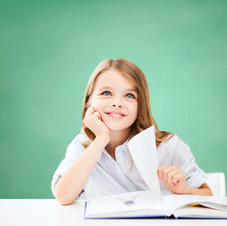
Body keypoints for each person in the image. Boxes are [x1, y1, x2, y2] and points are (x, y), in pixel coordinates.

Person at [51, 58, 212, 205]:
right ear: (88, 101)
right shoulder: (82, 146)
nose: (117, 103)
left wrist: (184, 190)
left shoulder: (168, 147)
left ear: (140, 105)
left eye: (129, 95)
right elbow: (63, 197)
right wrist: (101, 138)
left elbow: (208, 195)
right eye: (106, 93)